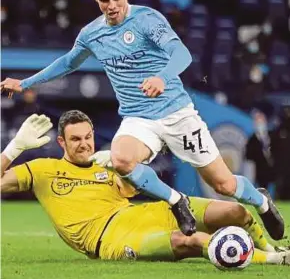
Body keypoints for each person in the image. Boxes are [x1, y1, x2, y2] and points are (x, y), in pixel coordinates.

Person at [0, 0, 284, 239]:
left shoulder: (148, 19)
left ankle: (261, 201)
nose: (111, 5)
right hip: (138, 119)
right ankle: (176, 200)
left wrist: (162, 77)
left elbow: (182, 53)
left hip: (176, 113)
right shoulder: (91, 34)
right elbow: (68, 62)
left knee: (224, 184)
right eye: (104, 0)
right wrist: (24, 83)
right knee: (122, 159)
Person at [1, 111, 289, 265]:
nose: (84, 144)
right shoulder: (41, 170)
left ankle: (270, 247)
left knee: (236, 212)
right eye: (75, 139)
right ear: (61, 142)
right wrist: (14, 148)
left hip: (145, 213)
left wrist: (121, 168)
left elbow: (136, 186)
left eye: (88, 137)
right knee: (189, 241)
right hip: (110, 238)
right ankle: (275, 260)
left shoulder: (105, 162)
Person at [245, 110, 275, 190]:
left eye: (261, 121)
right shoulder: (252, 140)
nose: (260, 124)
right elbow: (249, 157)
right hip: (258, 171)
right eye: (257, 122)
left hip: (273, 170)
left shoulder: (273, 135)